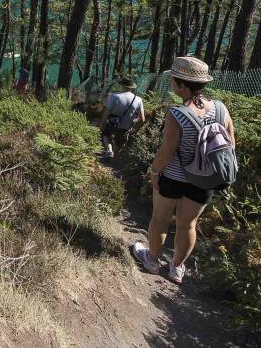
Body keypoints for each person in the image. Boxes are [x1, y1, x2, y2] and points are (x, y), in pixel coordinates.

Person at [132, 56, 236, 284]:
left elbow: (167, 151)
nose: (171, 84)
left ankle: (151, 260)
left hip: (174, 177)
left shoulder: (177, 114)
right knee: (188, 224)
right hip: (206, 180)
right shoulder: (220, 108)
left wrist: (155, 172)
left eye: (173, 80)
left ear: (181, 85)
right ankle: (176, 268)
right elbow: (230, 144)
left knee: (160, 219)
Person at [98, 77, 145, 157]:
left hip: (112, 123)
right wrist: (134, 129)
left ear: (122, 86)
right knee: (120, 141)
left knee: (106, 135)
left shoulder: (114, 96)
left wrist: (101, 126)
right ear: (132, 88)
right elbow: (142, 119)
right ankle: (117, 157)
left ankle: (109, 151)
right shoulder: (138, 99)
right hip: (126, 127)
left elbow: (105, 114)